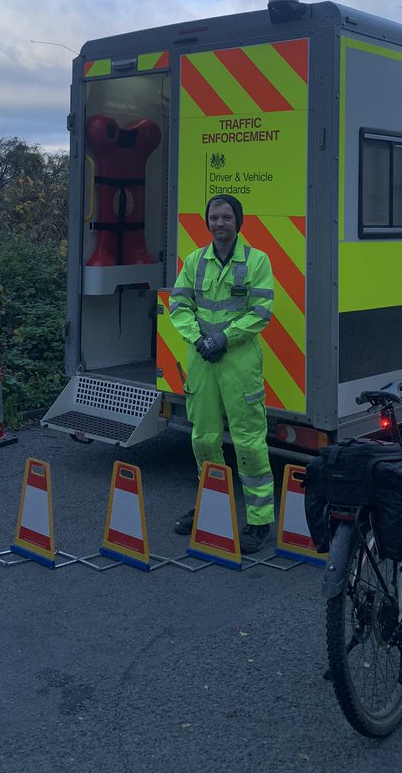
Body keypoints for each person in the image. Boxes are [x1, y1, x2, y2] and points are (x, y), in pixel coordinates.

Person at [169, 193, 276, 553]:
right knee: (203, 439)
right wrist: (200, 339)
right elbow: (178, 304)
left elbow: (261, 311)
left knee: (248, 442)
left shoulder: (257, 260)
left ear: (238, 221)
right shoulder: (195, 261)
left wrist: (223, 339)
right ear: (208, 222)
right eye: (214, 217)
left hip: (239, 363)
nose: (219, 223)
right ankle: (211, 507)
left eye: (226, 217)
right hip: (202, 360)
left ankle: (260, 522)